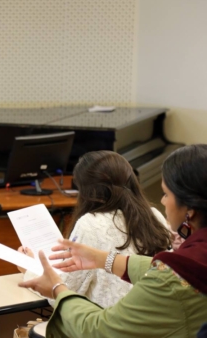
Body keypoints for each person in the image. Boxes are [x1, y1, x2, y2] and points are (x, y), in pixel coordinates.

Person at [20, 144, 207, 337]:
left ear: (190, 210)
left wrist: (48, 283)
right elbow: (164, 268)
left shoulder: (89, 223)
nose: (163, 201)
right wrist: (106, 259)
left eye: (166, 194)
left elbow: (100, 329)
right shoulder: (156, 218)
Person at [19, 150, 172, 308]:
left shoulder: (90, 223)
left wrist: (29, 268)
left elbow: (63, 291)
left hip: (107, 325)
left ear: (87, 190)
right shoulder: (154, 215)